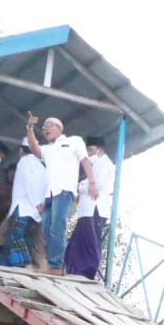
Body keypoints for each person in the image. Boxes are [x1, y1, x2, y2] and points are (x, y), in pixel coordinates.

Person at [24, 112, 97, 274]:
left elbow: (85, 161)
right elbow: (34, 148)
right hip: (49, 194)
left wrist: (92, 182)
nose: (45, 129)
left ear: (59, 127)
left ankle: (56, 266)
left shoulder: (74, 141)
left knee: (57, 227)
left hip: (64, 190)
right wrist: (30, 128)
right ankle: (56, 264)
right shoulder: (48, 149)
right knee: (46, 230)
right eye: (43, 128)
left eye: (49, 125)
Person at [65, 136, 115, 280]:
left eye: (90, 150)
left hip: (95, 208)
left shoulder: (105, 164)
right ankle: (73, 268)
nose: (89, 153)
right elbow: (87, 183)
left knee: (90, 241)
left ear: (99, 150)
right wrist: (84, 186)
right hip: (86, 209)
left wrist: (81, 187)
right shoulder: (94, 165)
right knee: (78, 241)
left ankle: (86, 271)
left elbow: (97, 185)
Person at [0, 141, 48, 268]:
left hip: (23, 207)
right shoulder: (42, 166)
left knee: (15, 236)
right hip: (36, 213)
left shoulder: (24, 161)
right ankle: (6, 265)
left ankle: (26, 264)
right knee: (25, 239)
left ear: (21, 150)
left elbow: (29, 182)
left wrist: (36, 202)